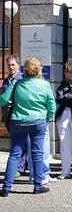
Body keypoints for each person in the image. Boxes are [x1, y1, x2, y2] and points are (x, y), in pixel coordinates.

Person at [0, 57, 56, 197]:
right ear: (38, 69)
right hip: (38, 122)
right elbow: (52, 106)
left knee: (14, 154)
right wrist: (46, 117)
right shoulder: (44, 85)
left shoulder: (17, 83)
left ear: (25, 69)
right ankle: (38, 185)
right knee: (37, 153)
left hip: (18, 121)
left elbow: (3, 100)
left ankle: (6, 187)